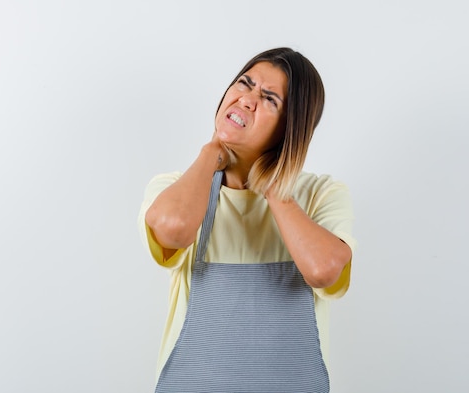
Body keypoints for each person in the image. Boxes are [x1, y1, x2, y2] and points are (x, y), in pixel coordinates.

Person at [138, 47, 356, 392]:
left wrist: (272, 184)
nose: (247, 99)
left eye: (270, 99)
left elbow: (323, 269)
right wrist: (211, 153)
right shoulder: (176, 190)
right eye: (244, 83)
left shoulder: (320, 195)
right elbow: (174, 229)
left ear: (291, 127)